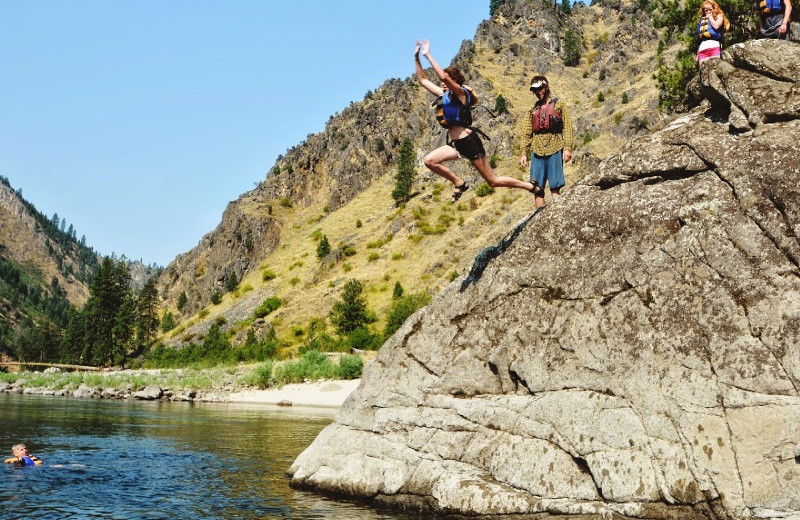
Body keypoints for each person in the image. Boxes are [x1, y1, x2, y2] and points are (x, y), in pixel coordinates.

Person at [415, 40, 540, 203]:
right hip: (456, 145)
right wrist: (416, 57)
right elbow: (423, 80)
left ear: (454, 82)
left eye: (445, 83)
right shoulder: (443, 95)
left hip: (469, 141)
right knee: (429, 161)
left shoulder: (461, 94)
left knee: (493, 181)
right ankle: (459, 182)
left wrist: (428, 55)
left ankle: (529, 186)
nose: (441, 84)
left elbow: (444, 77)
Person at [518, 75, 574, 209]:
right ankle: (540, 220)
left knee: (555, 188)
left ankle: (557, 216)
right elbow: (526, 132)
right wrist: (524, 153)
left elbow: (567, 127)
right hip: (537, 151)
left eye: (539, 89)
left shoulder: (559, 105)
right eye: (535, 90)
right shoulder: (532, 110)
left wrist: (567, 148)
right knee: (537, 189)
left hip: (555, 147)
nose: (538, 92)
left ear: (546, 87)